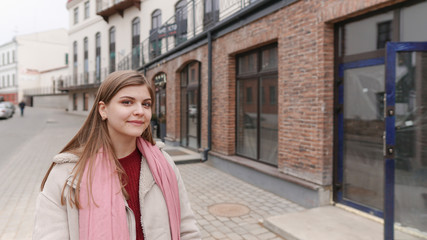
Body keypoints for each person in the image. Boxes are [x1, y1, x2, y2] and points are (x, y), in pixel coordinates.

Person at [33, 70, 201, 240]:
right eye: (127, 102)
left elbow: (187, 230)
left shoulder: (163, 163)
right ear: (103, 110)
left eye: (146, 104)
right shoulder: (67, 174)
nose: (140, 111)